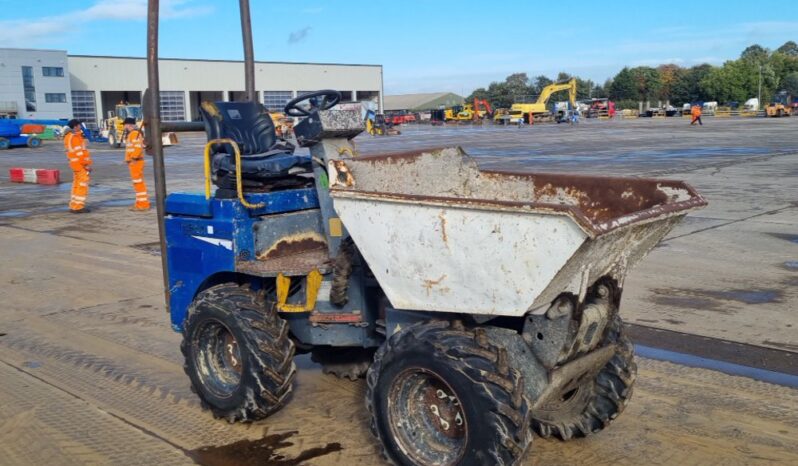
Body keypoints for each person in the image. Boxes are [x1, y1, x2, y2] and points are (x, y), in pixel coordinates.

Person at [64, 119, 92, 213]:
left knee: (76, 185)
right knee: (82, 184)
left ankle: (74, 205)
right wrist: (86, 165)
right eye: (79, 125)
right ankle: (79, 206)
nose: (80, 127)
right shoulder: (75, 137)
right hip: (80, 165)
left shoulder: (68, 137)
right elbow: (79, 153)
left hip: (74, 165)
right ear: (75, 127)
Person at [123, 117, 151, 211]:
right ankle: (140, 203)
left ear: (129, 125)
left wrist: (134, 158)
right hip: (134, 162)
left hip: (136, 162)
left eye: (125, 124)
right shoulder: (133, 134)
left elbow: (138, 148)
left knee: (138, 183)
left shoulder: (134, 134)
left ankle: (143, 204)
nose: (124, 126)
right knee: (137, 183)